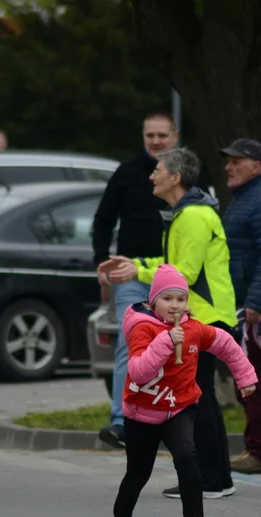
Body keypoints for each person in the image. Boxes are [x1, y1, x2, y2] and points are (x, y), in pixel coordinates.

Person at [99, 147, 240, 500]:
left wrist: (141, 271)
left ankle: (212, 478)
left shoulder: (192, 216)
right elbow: (172, 263)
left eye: (158, 170)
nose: (152, 175)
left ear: (175, 178)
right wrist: (136, 264)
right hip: (206, 313)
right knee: (201, 397)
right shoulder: (184, 214)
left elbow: (184, 275)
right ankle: (217, 477)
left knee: (197, 399)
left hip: (206, 315)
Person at [97, 265, 257, 517]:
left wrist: (245, 377)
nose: (174, 305)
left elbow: (226, 345)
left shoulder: (194, 329)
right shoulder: (142, 328)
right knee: (137, 474)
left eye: (180, 299)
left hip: (179, 407)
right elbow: (139, 372)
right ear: (153, 300)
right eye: (167, 298)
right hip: (142, 412)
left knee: (187, 455)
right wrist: (165, 341)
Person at [94, 112, 180, 449]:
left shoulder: (182, 174)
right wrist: (101, 260)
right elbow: (103, 219)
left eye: (162, 135)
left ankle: (166, 417)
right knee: (129, 345)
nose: (156, 141)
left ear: (175, 135)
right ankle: (122, 421)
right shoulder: (127, 173)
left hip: (169, 275)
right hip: (129, 272)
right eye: (150, 136)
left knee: (173, 346)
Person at [218, 138, 261, 475]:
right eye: (227, 161)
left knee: (253, 380)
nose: (229, 167)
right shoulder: (245, 199)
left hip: (254, 308)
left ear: (256, 165)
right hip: (243, 303)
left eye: (237, 161)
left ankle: (260, 452)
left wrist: (256, 302)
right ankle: (255, 449)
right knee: (247, 379)